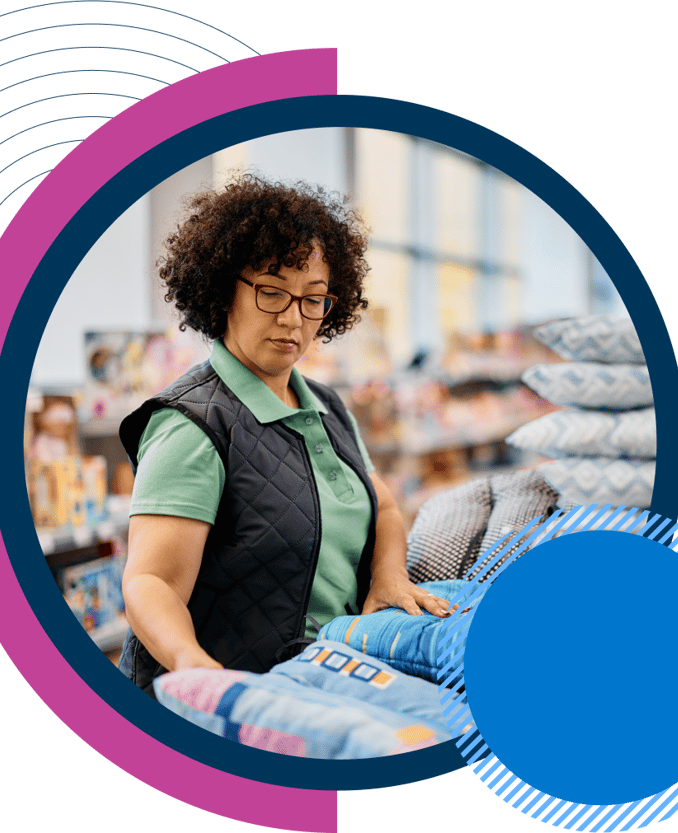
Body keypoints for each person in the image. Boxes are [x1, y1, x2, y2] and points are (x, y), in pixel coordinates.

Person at [118, 174, 455, 695]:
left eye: (313, 299)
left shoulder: (327, 405)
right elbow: (151, 582)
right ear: (222, 287)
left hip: (324, 682)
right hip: (228, 707)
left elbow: (382, 507)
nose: (294, 320)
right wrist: (194, 665)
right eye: (272, 293)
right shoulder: (191, 425)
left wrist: (389, 577)